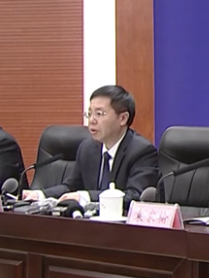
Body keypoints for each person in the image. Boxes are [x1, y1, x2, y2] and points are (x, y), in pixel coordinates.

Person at [22, 85, 158, 210]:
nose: (92, 120)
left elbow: (134, 196)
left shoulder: (142, 151)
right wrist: (40, 195)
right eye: (89, 113)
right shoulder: (87, 148)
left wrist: (85, 197)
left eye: (99, 114)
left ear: (123, 118)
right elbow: (71, 187)